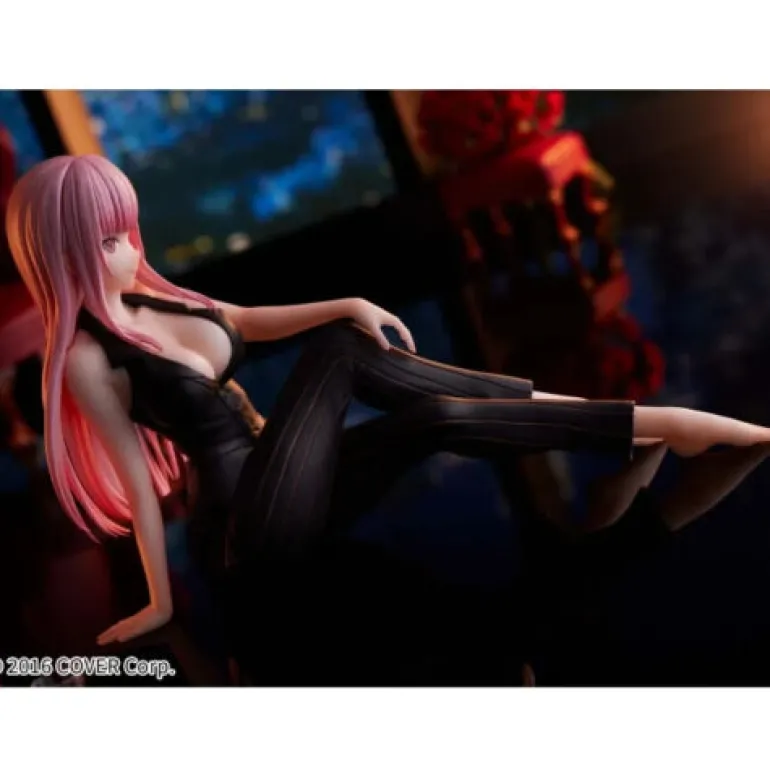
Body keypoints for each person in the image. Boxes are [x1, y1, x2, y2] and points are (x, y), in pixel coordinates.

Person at [6, 155, 770, 665]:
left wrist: (348, 300)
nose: (127, 250)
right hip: (247, 532)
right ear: (59, 252)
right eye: (104, 240)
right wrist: (158, 605)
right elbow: (139, 486)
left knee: (428, 414)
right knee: (344, 357)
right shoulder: (87, 358)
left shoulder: (155, 298)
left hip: (292, 480)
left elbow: (246, 321)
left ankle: (613, 422)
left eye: (126, 231)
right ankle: (646, 424)